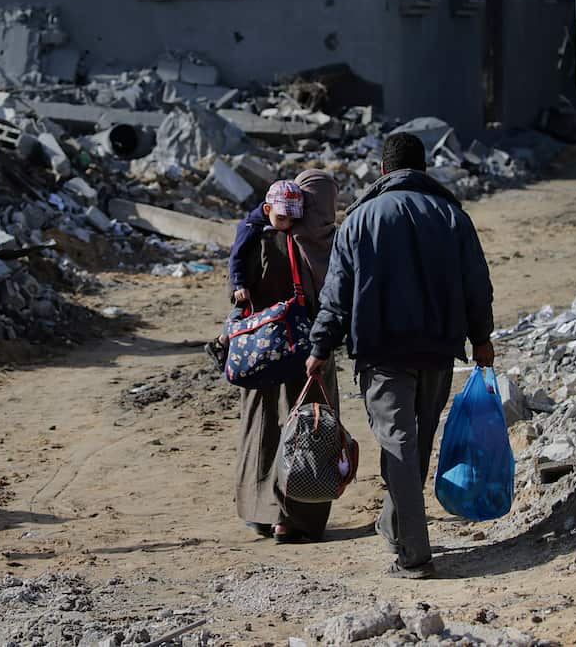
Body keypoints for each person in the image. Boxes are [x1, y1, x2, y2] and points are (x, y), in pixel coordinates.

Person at [306, 133, 495, 579]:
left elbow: (337, 296)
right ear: (423, 169)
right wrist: (481, 338)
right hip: (437, 350)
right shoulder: (452, 216)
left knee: (399, 446)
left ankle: (414, 555)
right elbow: (476, 285)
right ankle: (397, 528)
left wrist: (319, 347)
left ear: (383, 171)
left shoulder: (359, 220)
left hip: (382, 351)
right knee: (416, 446)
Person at [233, 170, 340, 543]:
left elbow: (239, 293)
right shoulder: (334, 245)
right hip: (309, 357)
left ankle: (259, 512)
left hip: (262, 355)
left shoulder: (264, 239)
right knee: (308, 432)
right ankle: (295, 519)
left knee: (261, 429)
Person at [206, 179, 306, 365]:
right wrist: (239, 284)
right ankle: (222, 344)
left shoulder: (279, 228)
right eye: (282, 218)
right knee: (240, 315)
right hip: (246, 285)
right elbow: (236, 257)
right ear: (268, 210)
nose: (286, 225)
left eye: (292, 220)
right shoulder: (250, 227)